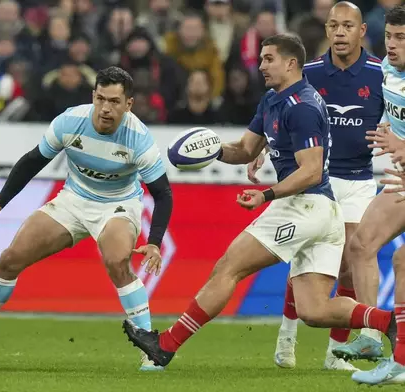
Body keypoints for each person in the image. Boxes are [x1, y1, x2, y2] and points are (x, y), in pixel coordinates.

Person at [121, 33, 397, 369]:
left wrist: (266, 194)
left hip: (304, 205)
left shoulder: (304, 106)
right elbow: (246, 150)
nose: (262, 65)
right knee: (314, 310)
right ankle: (390, 324)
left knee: (228, 267)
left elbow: (310, 171)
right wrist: (214, 149)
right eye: (262, 59)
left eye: (269, 59)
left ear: (291, 63)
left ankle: (165, 345)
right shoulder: (272, 100)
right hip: (321, 212)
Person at [0, 66, 173, 371]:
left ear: (129, 104)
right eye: (101, 99)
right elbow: (33, 161)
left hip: (118, 205)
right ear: (93, 96)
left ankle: (150, 350)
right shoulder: (71, 121)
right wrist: (0, 203)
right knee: (10, 259)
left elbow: (163, 194)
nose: (106, 109)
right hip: (73, 200)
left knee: (116, 261)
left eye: (114, 102)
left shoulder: (139, 138)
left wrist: (153, 242)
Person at [247, 2, 384, 371]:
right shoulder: (304, 73)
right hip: (314, 180)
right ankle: (287, 336)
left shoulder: (380, 74)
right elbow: (276, 110)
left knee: (349, 266)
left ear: (361, 32)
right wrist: (261, 147)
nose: (340, 32)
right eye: (334, 25)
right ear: (326, 31)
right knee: (306, 262)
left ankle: (335, 354)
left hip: (357, 180)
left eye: (348, 26)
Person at [344, 5, 405, 385]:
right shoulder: (385, 70)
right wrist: (387, 133)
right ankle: (370, 336)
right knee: (362, 243)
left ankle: (400, 361)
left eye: (402, 39)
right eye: (390, 37)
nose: (393, 45)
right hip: (400, 177)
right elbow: (390, 113)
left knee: (402, 261)